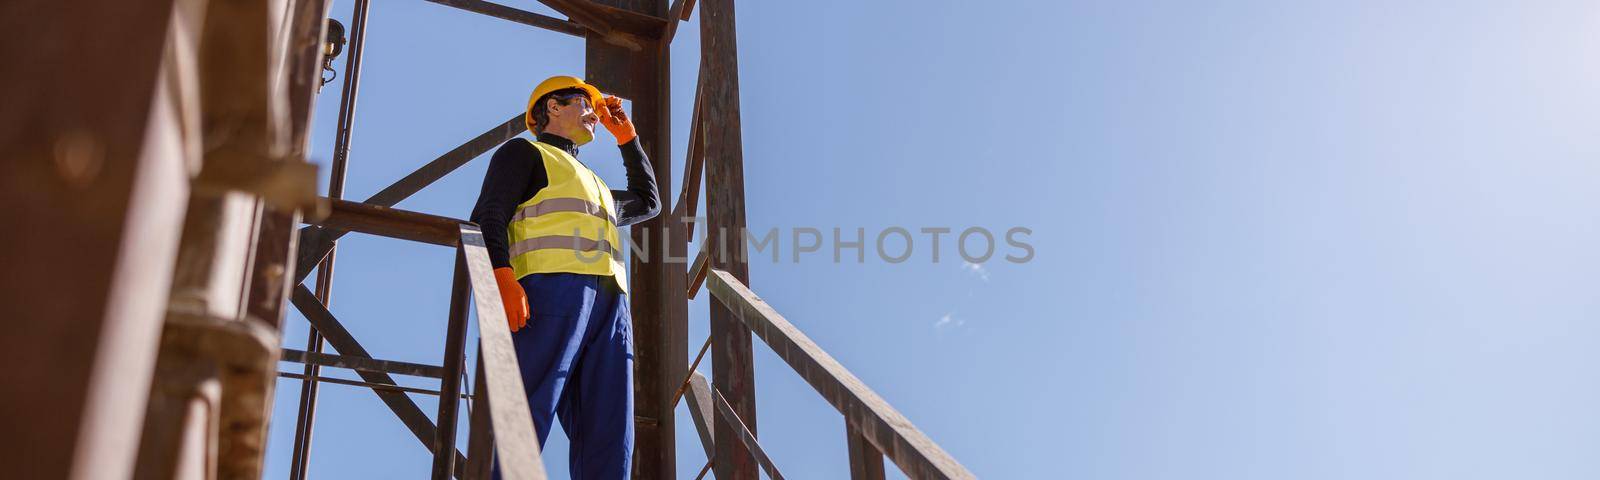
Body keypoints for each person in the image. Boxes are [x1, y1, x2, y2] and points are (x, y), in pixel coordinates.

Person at [470, 75, 658, 478]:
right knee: (525, 409)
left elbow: (648, 202)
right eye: (584, 104)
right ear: (553, 107)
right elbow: (489, 214)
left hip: (610, 309)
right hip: (549, 294)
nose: (595, 114)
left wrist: (627, 137)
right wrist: (501, 276)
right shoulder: (525, 154)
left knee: (609, 431)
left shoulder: (597, 186)